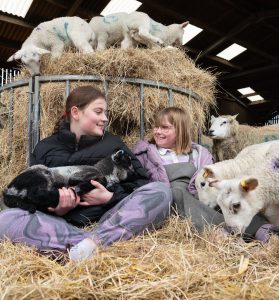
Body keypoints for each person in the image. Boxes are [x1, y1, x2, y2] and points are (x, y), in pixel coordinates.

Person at [0, 86, 172, 261]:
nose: (105, 118)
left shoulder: (114, 143)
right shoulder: (44, 147)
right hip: (61, 225)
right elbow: (31, 193)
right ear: (76, 112)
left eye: (106, 113)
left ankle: (90, 244)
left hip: (108, 219)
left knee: (161, 191)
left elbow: (141, 185)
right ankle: (91, 246)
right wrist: (56, 208)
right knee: (6, 219)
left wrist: (110, 197)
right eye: (98, 112)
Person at [133, 106, 279, 242]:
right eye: (156, 127)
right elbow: (139, 184)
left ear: (180, 130)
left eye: (165, 128)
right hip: (171, 202)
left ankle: (263, 227)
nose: (158, 132)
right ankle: (224, 231)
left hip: (199, 195)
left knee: (225, 194)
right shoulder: (145, 153)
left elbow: (209, 179)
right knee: (176, 192)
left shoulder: (198, 153)